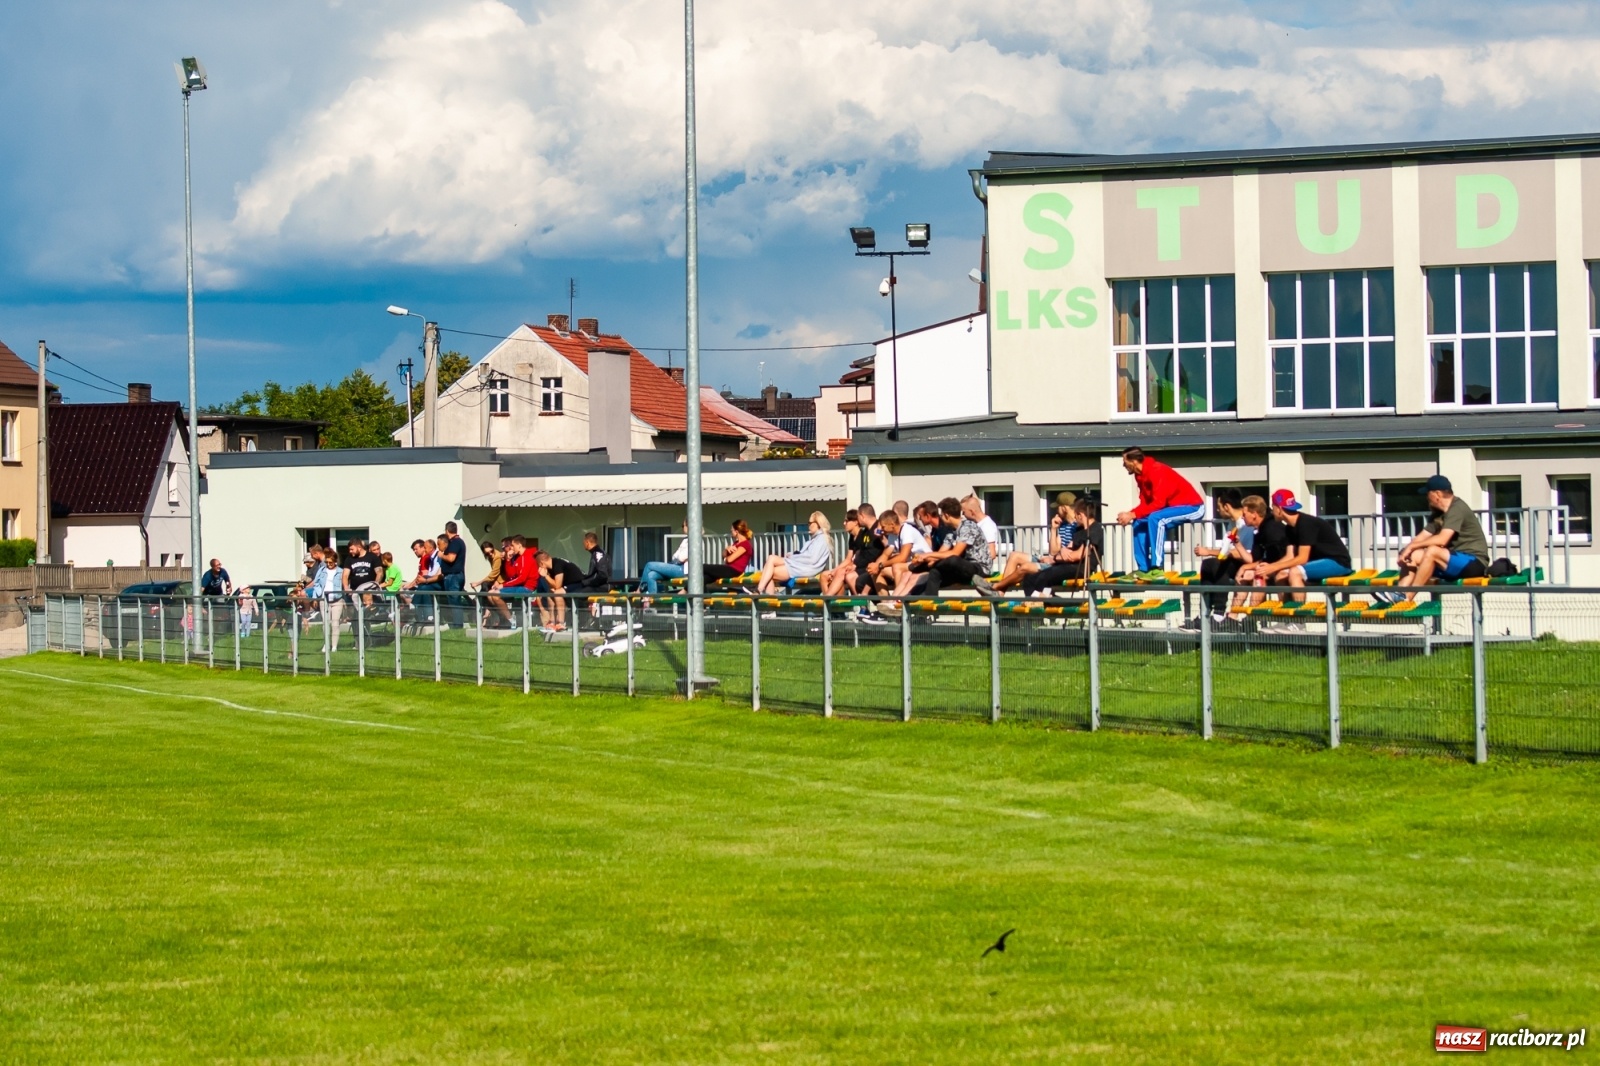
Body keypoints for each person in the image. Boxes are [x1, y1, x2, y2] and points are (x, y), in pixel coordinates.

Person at [1390, 475, 1491, 600]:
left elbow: (1442, 539)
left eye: (1428, 494)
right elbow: (1421, 537)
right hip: (1452, 561)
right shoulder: (1438, 515)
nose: (1427, 498)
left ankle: (1408, 596)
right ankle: (1398, 595)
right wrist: (1406, 551)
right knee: (1412, 556)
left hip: (1474, 563)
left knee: (1432, 551)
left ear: (1437, 494)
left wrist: (1413, 546)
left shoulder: (1457, 508)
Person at [1115, 447, 1205, 573]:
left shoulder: (1156, 471)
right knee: (1139, 522)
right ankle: (1143, 569)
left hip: (1194, 507)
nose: (1123, 465)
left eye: (1125, 461)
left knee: (1156, 518)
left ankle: (1157, 567)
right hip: (1171, 507)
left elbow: (1158, 503)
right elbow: (1146, 504)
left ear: (1134, 461)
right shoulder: (1139, 476)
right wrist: (1131, 514)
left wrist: (1132, 514)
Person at [976, 492, 1080, 597]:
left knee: (1025, 567)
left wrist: (1053, 559)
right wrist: (1053, 529)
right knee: (1014, 555)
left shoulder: (1077, 526)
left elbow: (1069, 554)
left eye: (1058, 507)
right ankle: (1000, 593)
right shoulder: (1063, 525)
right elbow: (1053, 551)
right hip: (1053, 560)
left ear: (1064, 508)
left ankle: (996, 587)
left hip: (1060, 565)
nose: (1056, 510)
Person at [1254, 490, 1353, 598]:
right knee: (1280, 575)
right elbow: (1290, 556)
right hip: (1319, 562)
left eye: (1273, 508)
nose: (1272, 512)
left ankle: (1299, 612)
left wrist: (1273, 567)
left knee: (1295, 572)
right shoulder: (1289, 528)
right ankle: (1285, 613)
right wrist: (1271, 567)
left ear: (1279, 509)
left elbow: (1302, 558)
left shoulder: (1306, 523)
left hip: (1338, 563)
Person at [1021, 496, 1103, 596]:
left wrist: (1058, 557)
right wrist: (1060, 553)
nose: (1075, 518)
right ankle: (1047, 601)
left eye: (1076, 515)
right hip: (1066, 565)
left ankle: (1050, 602)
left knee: (1043, 578)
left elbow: (1077, 555)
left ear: (1080, 515)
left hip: (1080, 569)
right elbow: (1067, 549)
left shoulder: (1095, 530)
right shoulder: (1079, 531)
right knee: (1029, 578)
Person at [1194, 489, 1253, 617]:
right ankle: (1204, 613)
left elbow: (1241, 554)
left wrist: (1209, 551)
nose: (1217, 510)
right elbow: (1225, 551)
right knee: (1208, 564)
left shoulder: (1245, 525)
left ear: (1226, 507)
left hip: (1246, 564)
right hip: (1233, 562)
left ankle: (1219, 613)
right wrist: (1210, 552)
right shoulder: (1232, 523)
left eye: (1219, 506)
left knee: (1217, 565)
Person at [756, 511, 833, 594]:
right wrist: (792, 555)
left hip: (806, 568)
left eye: (810, 523)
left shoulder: (821, 539)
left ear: (818, 524)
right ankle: (763, 592)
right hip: (802, 566)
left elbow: (811, 559)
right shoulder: (816, 539)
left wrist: (792, 558)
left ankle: (760, 591)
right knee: (770, 563)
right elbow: (805, 555)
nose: (808, 525)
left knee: (769, 571)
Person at [821, 507, 884, 597]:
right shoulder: (858, 535)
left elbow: (871, 553)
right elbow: (850, 557)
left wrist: (852, 566)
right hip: (859, 566)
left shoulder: (866, 533)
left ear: (856, 521)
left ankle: (827, 600)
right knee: (826, 574)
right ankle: (830, 603)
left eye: (846, 521)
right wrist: (836, 569)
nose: (844, 523)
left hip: (869, 566)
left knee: (843, 574)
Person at [640, 522, 689, 600]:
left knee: (649, 565)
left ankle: (640, 590)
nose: (683, 528)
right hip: (677, 566)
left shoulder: (694, 540)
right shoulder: (685, 540)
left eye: (683, 526)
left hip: (683, 570)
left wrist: (679, 558)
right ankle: (652, 597)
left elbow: (681, 557)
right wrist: (679, 558)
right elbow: (675, 556)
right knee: (651, 575)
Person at [438, 521, 468, 628]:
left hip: (453, 576)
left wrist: (441, 555)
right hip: (454, 575)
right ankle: (457, 623)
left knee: (454, 600)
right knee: (453, 600)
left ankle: (458, 625)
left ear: (447, 531)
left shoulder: (455, 542)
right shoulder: (458, 542)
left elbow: (451, 558)